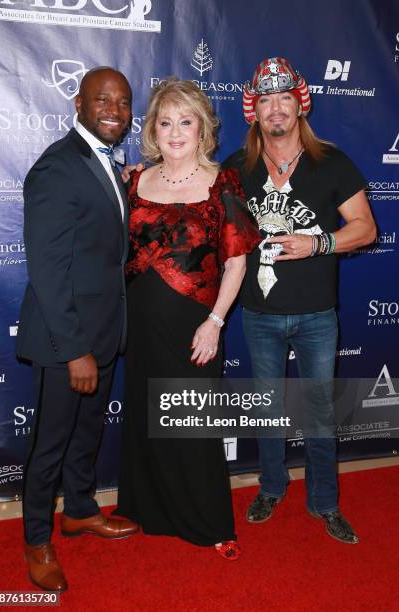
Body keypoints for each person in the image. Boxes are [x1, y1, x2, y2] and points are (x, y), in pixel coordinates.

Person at [223, 57, 376, 544]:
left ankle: (325, 502)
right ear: (254, 110)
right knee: (268, 408)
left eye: (283, 97)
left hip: (315, 315)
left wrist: (318, 242)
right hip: (260, 312)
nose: (275, 108)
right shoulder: (236, 167)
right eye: (264, 99)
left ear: (299, 104)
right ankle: (271, 486)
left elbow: (366, 229)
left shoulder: (331, 161)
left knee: (319, 411)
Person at [114, 78, 261, 559]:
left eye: (186, 121)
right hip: (139, 322)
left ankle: (209, 522)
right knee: (145, 414)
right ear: (154, 130)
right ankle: (148, 509)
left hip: (194, 323)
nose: (175, 131)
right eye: (166, 121)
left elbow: (237, 262)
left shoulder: (224, 182)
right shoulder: (134, 181)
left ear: (202, 130)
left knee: (192, 422)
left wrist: (215, 322)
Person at [16, 67, 138, 592]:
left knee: (87, 434)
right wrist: (74, 351)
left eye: (123, 101)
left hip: (104, 331)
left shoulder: (104, 162)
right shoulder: (57, 167)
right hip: (66, 342)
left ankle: (81, 510)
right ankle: (37, 539)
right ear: (79, 105)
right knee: (51, 444)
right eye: (102, 99)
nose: (114, 109)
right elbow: (46, 269)